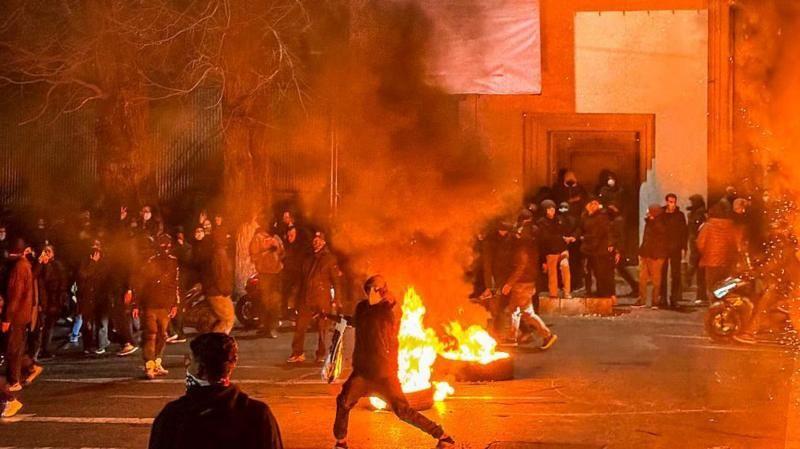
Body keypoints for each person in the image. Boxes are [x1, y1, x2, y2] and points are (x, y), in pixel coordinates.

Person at [333, 275, 454, 449]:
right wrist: (328, 316)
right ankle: (341, 442)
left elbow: (379, 323)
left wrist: (388, 302)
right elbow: (356, 322)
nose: (381, 291)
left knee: (403, 411)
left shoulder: (385, 312)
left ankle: (443, 436)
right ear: (371, 289)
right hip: (362, 373)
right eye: (378, 288)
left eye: (382, 288)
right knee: (343, 402)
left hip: (383, 374)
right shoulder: (362, 308)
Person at [148, 333, 284, 449]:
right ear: (233, 362)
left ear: (196, 365)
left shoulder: (173, 416)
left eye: (189, 359)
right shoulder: (257, 414)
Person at [288, 231, 342, 363]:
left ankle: (321, 354)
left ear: (324, 242)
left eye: (319, 239)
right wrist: (293, 298)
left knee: (322, 328)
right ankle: (298, 353)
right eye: (314, 239)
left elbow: (336, 281)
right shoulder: (308, 258)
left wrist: (337, 300)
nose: (316, 242)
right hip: (306, 297)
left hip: (322, 298)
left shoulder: (330, 259)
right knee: (300, 325)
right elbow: (301, 280)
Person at [502, 225, 557, 348]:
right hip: (528, 282)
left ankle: (512, 338)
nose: (517, 233)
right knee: (525, 312)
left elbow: (520, 267)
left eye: (520, 232)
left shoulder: (523, 248)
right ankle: (546, 335)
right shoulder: (531, 246)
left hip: (522, 283)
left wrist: (509, 284)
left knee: (516, 310)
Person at [133, 234, 180, 380]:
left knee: (162, 335)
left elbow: (176, 284)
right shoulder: (150, 262)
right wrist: (136, 304)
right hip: (151, 304)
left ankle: (157, 362)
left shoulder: (173, 262)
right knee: (151, 335)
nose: (165, 247)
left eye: (167, 244)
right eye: (162, 244)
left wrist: (175, 304)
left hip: (164, 305)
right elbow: (140, 284)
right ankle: (149, 365)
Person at [2, 243, 44, 391]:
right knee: (15, 347)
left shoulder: (19, 267)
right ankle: (29, 367)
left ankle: (13, 382)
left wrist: (7, 318)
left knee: (12, 348)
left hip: (16, 315)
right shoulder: (23, 266)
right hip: (20, 315)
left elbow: (15, 295)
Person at [249, 218, 285, 339]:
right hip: (264, 274)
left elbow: (283, 253)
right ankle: (265, 326)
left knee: (275, 301)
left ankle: (272, 327)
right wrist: (267, 251)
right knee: (265, 300)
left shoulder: (276, 238)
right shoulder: (258, 238)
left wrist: (278, 251)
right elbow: (253, 256)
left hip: (276, 273)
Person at [696, 203, 739, 300]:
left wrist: (706, 253)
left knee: (712, 286)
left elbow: (700, 243)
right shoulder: (730, 226)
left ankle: (715, 306)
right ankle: (724, 305)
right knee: (725, 286)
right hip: (726, 261)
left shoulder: (708, 226)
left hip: (711, 261)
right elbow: (734, 243)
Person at [480, 220, 516, 335]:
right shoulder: (490, 241)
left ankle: (513, 332)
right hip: (499, 277)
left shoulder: (512, 238)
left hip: (511, 276)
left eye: (505, 230)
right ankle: (499, 332)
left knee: (510, 305)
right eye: (501, 230)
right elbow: (487, 264)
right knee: (500, 305)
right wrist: (489, 286)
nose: (503, 233)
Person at [33, 245, 68, 359]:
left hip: (53, 300)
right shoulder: (39, 264)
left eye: (49, 251)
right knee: (41, 326)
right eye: (45, 251)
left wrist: (60, 299)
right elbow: (35, 276)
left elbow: (61, 282)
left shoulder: (57, 265)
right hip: (43, 301)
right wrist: (41, 262)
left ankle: (46, 349)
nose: (47, 253)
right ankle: (37, 351)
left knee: (49, 326)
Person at [579, 198, 617, 298]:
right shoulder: (585, 216)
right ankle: (589, 291)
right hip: (588, 248)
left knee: (601, 272)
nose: (592, 206)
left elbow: (602, 232)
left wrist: (610, 244)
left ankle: (604, 293)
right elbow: (582, 228)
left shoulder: (602, 216)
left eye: (595, 204)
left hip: (599, 249)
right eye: (591, 204)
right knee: (588, 271)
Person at [634, 205, 668, 308]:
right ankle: (642, 299)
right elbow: (646, 239)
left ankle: (655, 301)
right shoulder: (649, 223)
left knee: (656, 279)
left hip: (656, 256)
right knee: (642, 278)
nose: (647, 213)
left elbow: (660, 241)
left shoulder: (660, 224)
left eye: (649, 211)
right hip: (646, 254)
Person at [537, 200, 572, 299]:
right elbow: (544, 239)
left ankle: (567, 292)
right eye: (549, 209)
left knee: (565, 267)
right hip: (550, 251)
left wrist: (566, 238)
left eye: (553, 208)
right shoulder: (542, 222)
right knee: (552, 273)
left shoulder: (559, 220)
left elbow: (565, 232)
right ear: (545, 210)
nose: (552, 210)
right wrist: (543, 259)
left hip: (562, 249)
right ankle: (553, 293)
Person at [77, 247, 110, 355]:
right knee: (87, 324)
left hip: (100, 298)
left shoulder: (104, 265)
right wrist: (92, 263)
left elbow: (104, 279)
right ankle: (88, 346)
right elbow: (83, 275)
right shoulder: (85, 264)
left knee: (101, 322)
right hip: (88, 298)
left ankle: (101, 344)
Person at [660, 194, 688, 308]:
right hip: (664, 247)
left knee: (676, 274)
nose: (672, 204)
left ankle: (674, 298)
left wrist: (684, 247)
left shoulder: (679, 215)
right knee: (663, 273)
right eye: (670, 202)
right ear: (666, 202)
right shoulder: (661, 215)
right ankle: (662, 297)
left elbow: (684, 232)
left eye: (674, 202)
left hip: (675, 248)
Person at [204, 233, 235, 334]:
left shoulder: (214, 252)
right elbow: (220, 275)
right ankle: (216, 343)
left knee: (220, 319)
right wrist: (226, 290)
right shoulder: (219, 254)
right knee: (228, 319)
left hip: (214, 290)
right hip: (217, 292)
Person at [686, 194, 708, 304]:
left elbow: (696, 229)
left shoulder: (699, 214)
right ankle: (701, 295)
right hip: (695, 244)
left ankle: (701, 295)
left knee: (699, 271)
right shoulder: (695, 213)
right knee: (698, 271)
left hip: (698, 245)